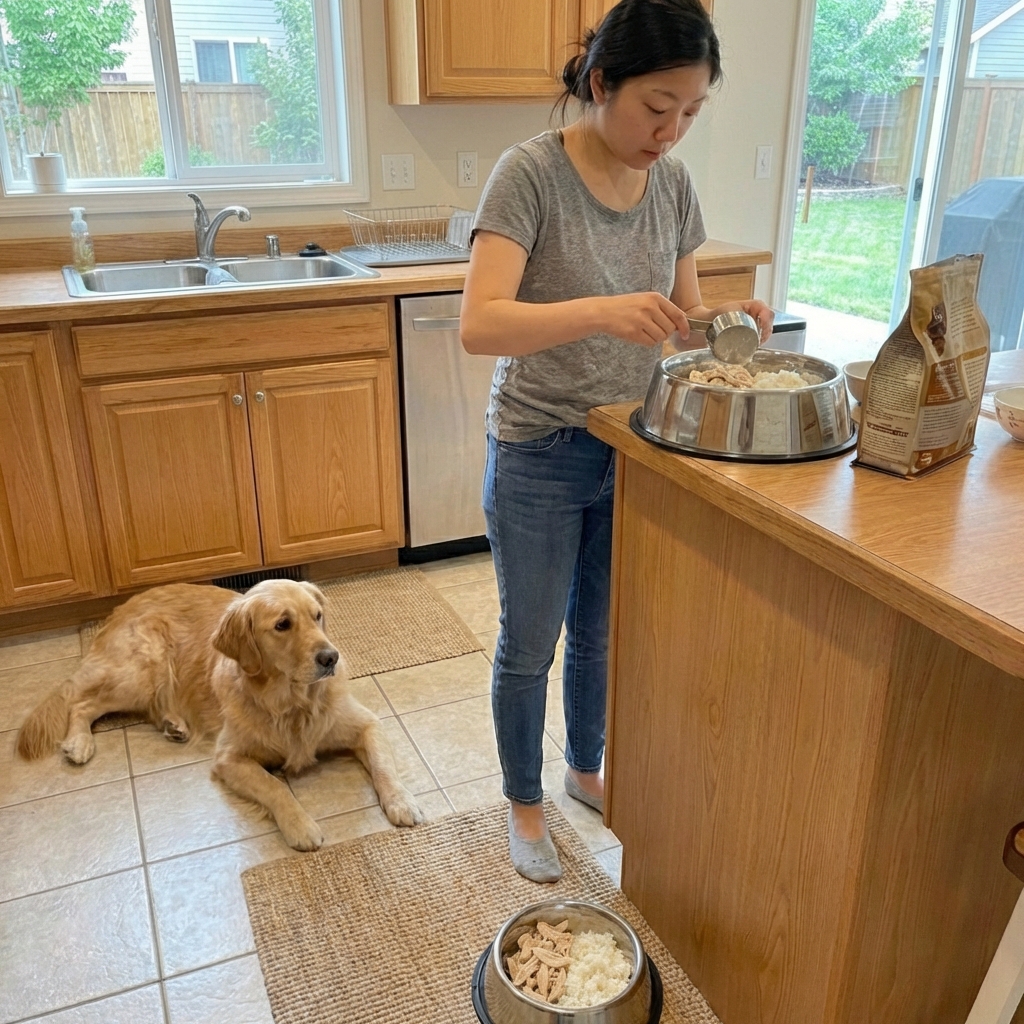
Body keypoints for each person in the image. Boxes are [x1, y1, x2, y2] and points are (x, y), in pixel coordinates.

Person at [460, 0, 773, 882]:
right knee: (532, 638)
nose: (670, 132)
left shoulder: (670, 185)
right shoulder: (528, 176)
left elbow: (675, 321)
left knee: (601, 631)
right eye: (656, 106)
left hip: (634, 445)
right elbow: (480, 325)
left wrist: (723, 319)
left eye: (691, 113)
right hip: (539, 450)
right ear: (602, 83)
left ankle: (583, 771)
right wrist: (602, 308)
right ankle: (525, 806)